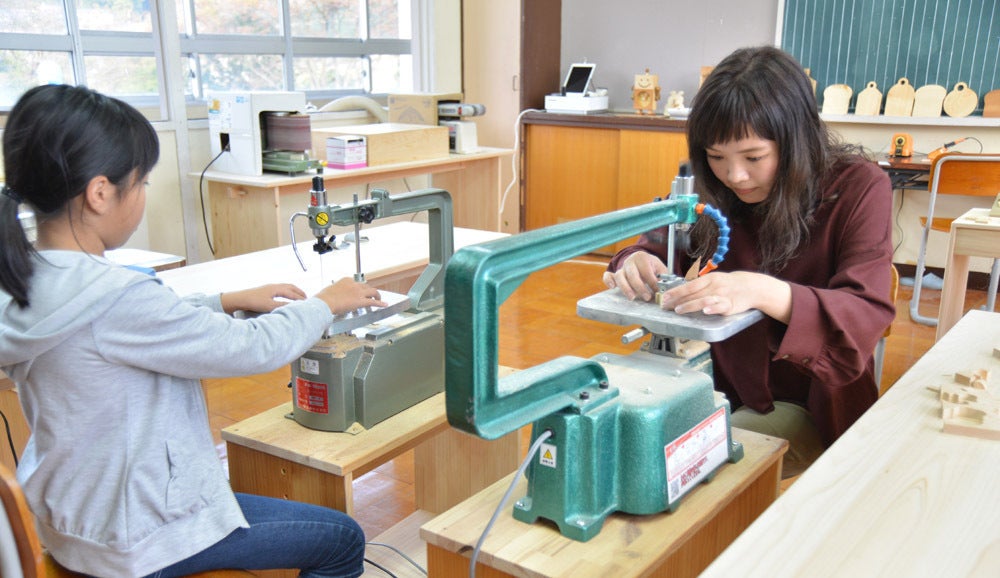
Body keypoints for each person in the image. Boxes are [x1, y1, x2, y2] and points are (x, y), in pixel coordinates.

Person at [0, 84, 385, 577]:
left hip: (77, 522)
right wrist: (325, 304)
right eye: (141, 183)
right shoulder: (118, 296)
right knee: (342, 539)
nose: (143, 195)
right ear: (99, 193)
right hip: (143, 540)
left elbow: (130, 328)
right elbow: (251, 349)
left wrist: (224, 301)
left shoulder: (28, 278)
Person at [603, 46, 895, 477]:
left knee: (687, 469)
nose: (734, 176)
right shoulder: (710, 186)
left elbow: (864, 314)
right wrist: (636, 260)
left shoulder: (858, 187)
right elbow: (655, 243)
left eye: (754, 157)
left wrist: (762, 291)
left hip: (813, 400)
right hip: (722, 384)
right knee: (623, 442)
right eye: (716, 157)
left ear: (795, 140)